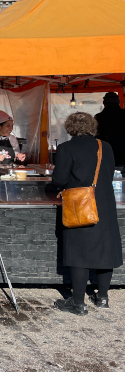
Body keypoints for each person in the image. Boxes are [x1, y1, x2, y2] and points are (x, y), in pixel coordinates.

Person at [52, 112, 123, 315]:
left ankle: (78, 303)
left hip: (81, 205)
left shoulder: (66, 148)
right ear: (92, 127)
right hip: (105, 204)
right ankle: (102, 298)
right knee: (104, 249)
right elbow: (108, 174)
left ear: (70, 128)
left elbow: (59, 179)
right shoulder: (104, 147)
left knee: (79, 253)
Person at [95, 92, 125, 169]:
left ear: (104, 103)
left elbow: (95, 135)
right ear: (118, 102)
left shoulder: (99, 117)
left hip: (105, 154)